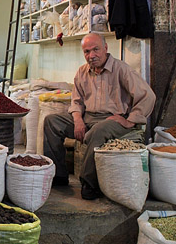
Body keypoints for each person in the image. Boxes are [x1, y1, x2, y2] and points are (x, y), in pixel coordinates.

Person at [43, 33, 155, 200]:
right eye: (87, 52)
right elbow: (76, 101)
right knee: (52, 121)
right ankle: (59, 175)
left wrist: (130, 120)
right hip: (88, 117)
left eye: (96, 49)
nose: (91, 55)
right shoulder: (82, 72)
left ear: (105, 48)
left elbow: (148, 96)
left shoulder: (121, 69)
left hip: (113, 120)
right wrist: (78, 120)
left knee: (99, 131)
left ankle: (89, 183)